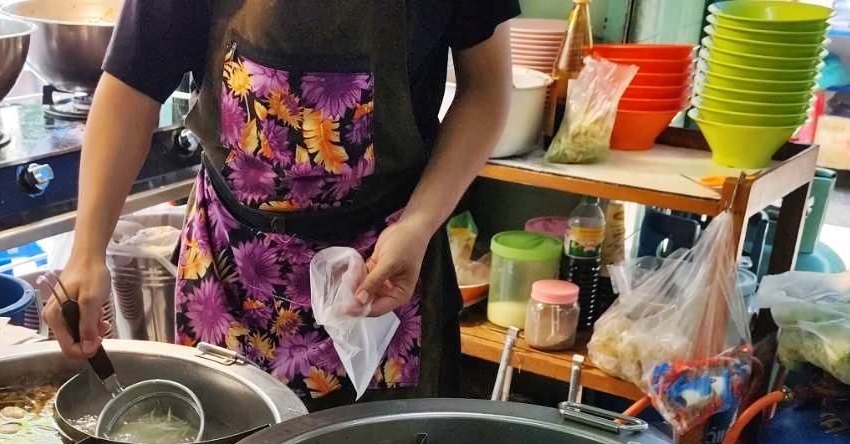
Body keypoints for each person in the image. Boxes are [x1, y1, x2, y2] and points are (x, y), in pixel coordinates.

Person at [42, 0, 516, 407]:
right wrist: (87, 251)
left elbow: (486, 88)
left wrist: (418, 224)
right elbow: (133, 85)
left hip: (382, 271)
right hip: (230, 266)